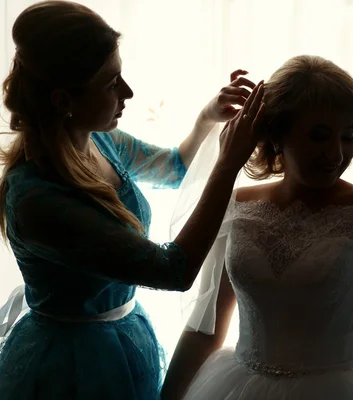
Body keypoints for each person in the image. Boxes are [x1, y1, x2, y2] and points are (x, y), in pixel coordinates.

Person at [0, 1, 264, 399]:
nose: (128, 92)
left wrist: (208, 117)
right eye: (111, 83)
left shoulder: (101, 141)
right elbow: (174, 270)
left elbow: (174, 168)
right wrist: (227, 166)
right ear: (62, 101)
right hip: (73, 366)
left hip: (123, 335)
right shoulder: (38, 200)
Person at [161, 55, 353, 400]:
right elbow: (205, 329)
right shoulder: (236, 205)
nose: (335, 154)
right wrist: (169, 395)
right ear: (278, 135)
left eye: (347, 136)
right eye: (319, 137)